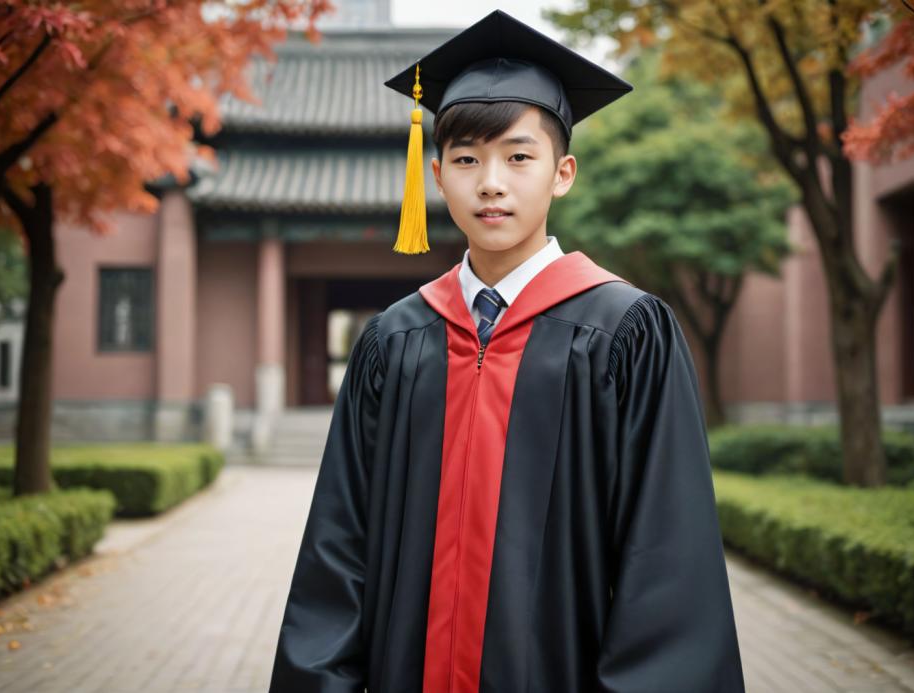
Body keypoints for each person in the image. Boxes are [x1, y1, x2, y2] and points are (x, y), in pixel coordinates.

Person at [269, 9, 744, 693]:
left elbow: (667, 562)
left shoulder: (627, 333)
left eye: (519, 156)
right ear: (437, 173)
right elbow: (338, 548)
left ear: (563, 173)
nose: (491, 181)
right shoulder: (395, 341)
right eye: (466, 159)